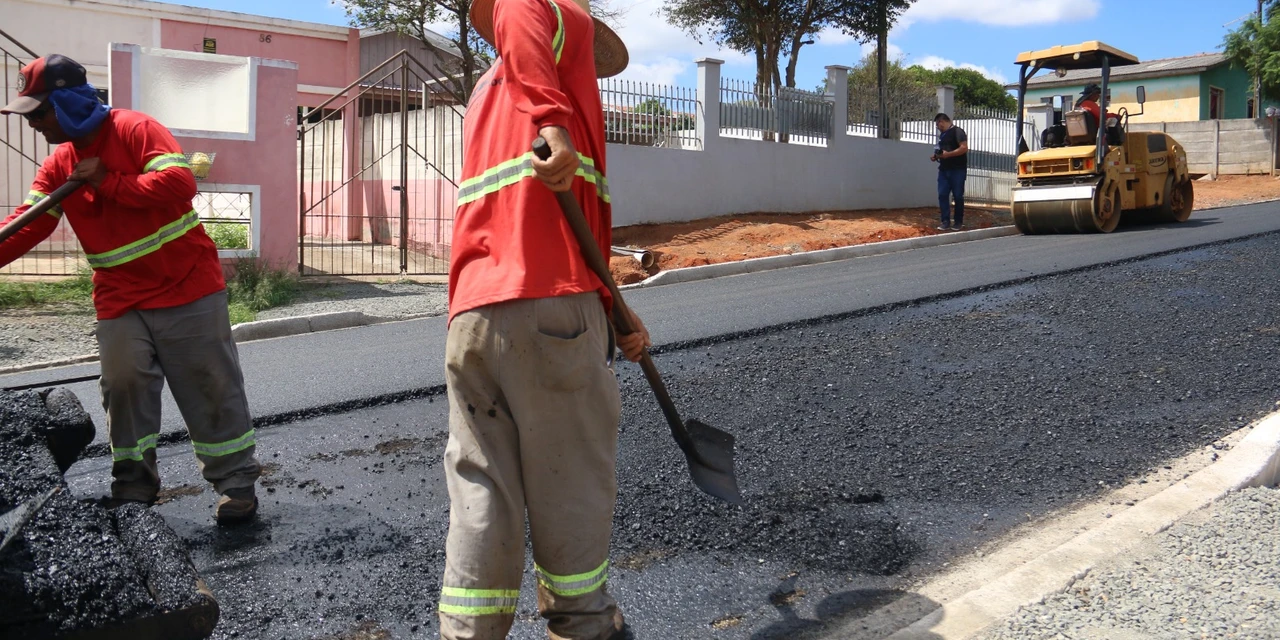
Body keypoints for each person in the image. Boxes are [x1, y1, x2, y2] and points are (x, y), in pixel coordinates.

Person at [437, 0, 646, 637]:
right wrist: (556, 121)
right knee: (570, 477)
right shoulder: (556, 88)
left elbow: (567, 234)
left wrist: (619, 311)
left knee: (482, 488)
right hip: (553, 313)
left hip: (471, 317)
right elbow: (519, 6)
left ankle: (469, 632)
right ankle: (584, 622)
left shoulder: (485, 98)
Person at [0, 54, 260, 526]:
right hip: (121, 298)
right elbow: (25, 225)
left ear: (68, 102)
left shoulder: (136, 129)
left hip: (187, 287)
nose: (33, 123)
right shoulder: (59, 163)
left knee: (210, 386)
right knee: (123, 388)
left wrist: (107, 181)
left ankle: (236, 485)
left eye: (39, 112)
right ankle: (134, 485)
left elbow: (178, 185)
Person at [931, 113, 968, 231]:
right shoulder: (942, 135)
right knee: (942, 195)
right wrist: (936, 156)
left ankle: (958, 222)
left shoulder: (958, 132)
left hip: (957, 169)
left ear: (942, 121)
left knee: (957, 195)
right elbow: (942, 150)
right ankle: (945, 221)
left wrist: (949, 155)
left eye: (938, 124)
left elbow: (964, 148)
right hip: (944, 170)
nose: (937, 126)